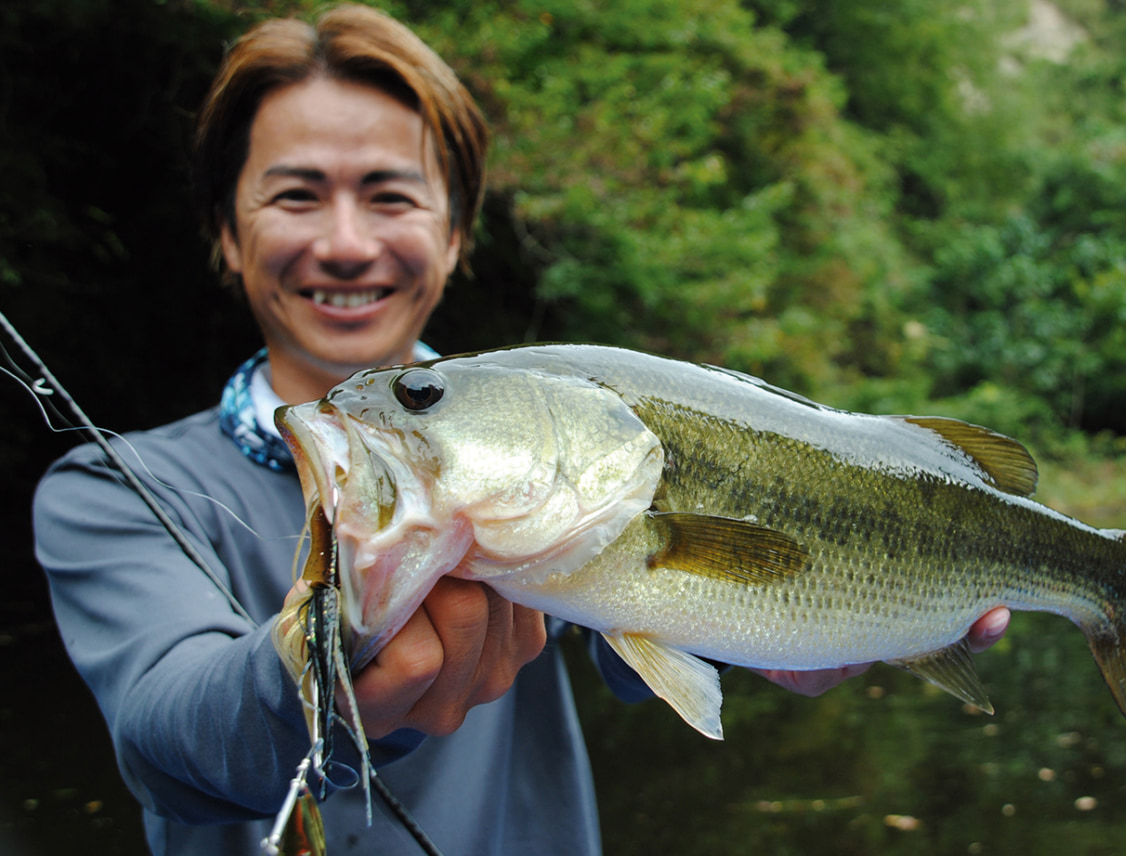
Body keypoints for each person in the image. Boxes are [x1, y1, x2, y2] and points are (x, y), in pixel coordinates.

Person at [32, 5, 1010, 855]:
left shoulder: (551, 438)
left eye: (390, 194)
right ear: (224, 229)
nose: (343, 241)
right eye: (295, 193)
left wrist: (776, 622)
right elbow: (169, 742)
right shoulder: (107, 490)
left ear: (454, 235)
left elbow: (631, 632)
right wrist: (323, 666)